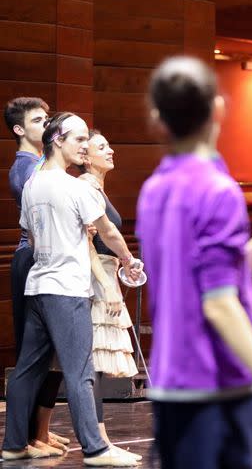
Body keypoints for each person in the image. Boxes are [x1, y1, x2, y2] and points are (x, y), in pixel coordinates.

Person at [136, 56, 252, 469]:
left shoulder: (154, 189)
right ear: (218, 109)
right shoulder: (218, 191)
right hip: (215, 385)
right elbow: (219, 302)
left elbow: (212, 279)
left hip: (171, 385)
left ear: (158, 120)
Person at [2, 112, 142, 466]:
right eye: (78, 139)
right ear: (57, 140)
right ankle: (96, 448)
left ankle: (14, 443)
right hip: (66, 289)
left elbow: (31, 237)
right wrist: (128, 260)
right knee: (80, 371)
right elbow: (107, 231)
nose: (84, 145)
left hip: (39, 286)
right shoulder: (74, 185)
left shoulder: (34, 182)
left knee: (27, 369)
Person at [3, 97, 69, 456]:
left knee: (50, 354)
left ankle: (37, 434)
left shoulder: (42, 162)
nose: (47, 124)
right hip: (33, 258)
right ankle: (23, 439)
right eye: (38, 120)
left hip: (48, 257)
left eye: (48, 118)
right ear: (19, 129)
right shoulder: (26, 169)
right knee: (33, 355)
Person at [77, 130, 141, 462]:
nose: (111, 149)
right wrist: (105, 283)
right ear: (85, 156)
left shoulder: (98, 188)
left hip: (104, 274)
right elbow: (88, 241)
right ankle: (99, 442)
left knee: (94, 363)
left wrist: (126, 263)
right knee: (94, 363)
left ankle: (99, 440)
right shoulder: (86, 188)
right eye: (102, 147)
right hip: (93, 280)